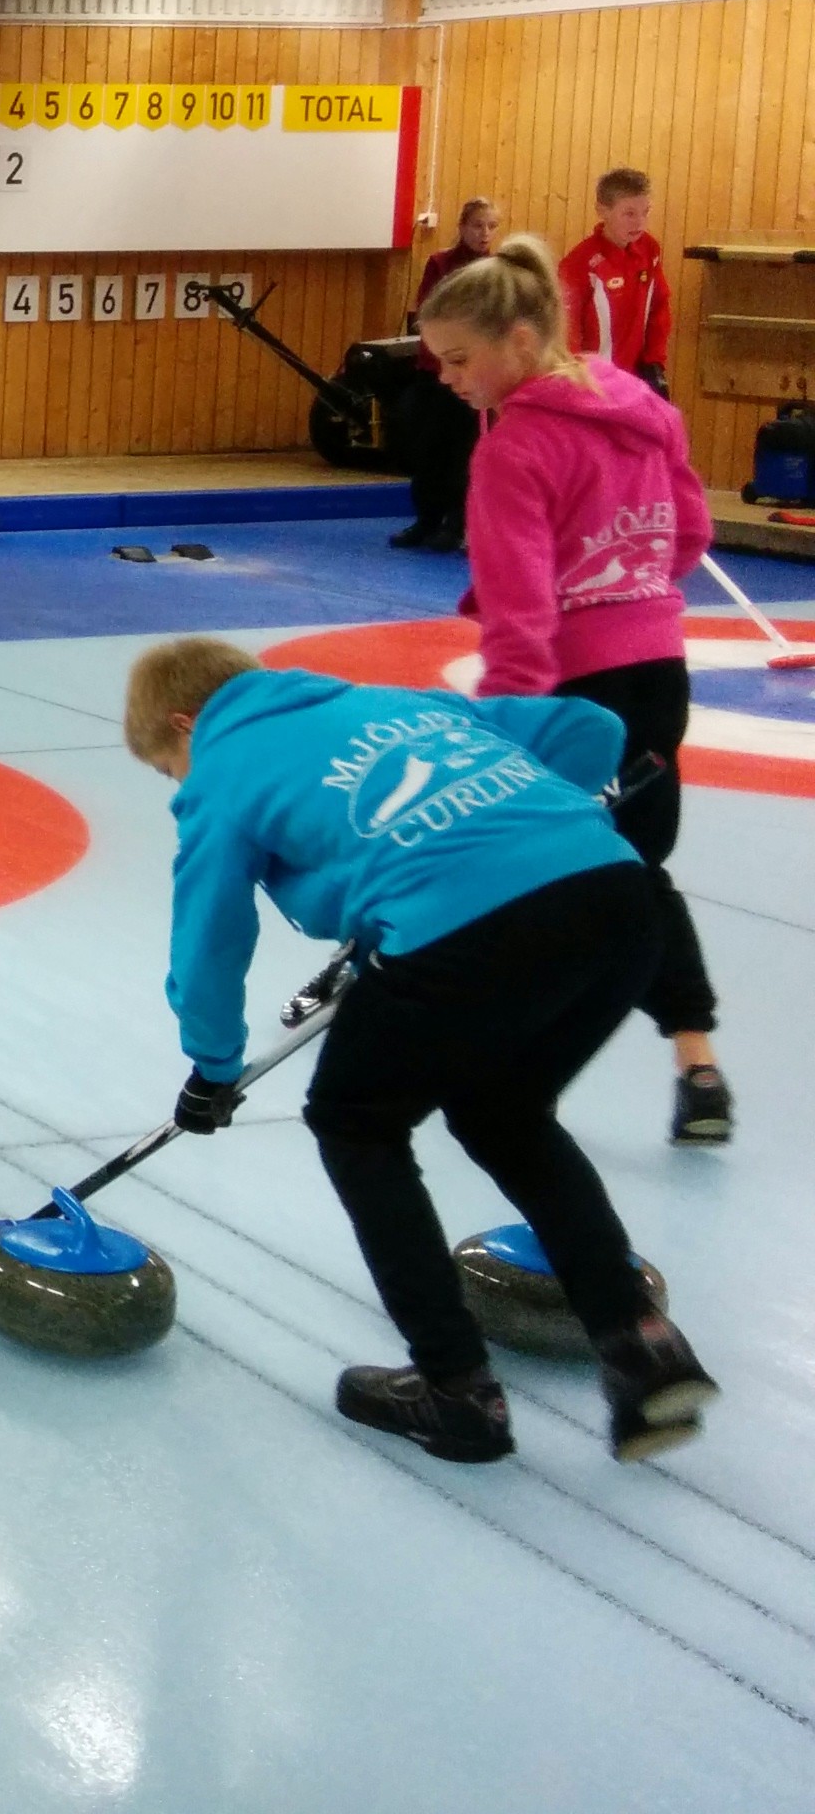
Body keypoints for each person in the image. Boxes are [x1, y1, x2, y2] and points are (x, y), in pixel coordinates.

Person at [124, 637, 717, 1466]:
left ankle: (456, 1389)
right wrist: (524, 824)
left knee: (356, 1122)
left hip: (467, 935)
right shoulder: (394, 703)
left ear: (187, 723)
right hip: (617, 904)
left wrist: (213, 1067)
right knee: (507, 1116)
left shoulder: (221, 773)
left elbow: (210, 940)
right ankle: (640, 1344)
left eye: (168, 767)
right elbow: (590, 728)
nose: (178, 783)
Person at [421, 235, 730, 1143]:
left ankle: (519, 1067)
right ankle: (698, 1066)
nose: (447, 379)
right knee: (635, 869)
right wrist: (632, 590)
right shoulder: (641, 408)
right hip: (658, 672)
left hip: (575, 690)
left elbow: (521, 613)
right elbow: (690, 533)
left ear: (519, 342)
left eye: (458, 359)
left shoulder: (514, 449)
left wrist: (506, 726)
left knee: (544, 876)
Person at [390, 196, 499, 552]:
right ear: (462, 227)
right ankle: (426, 520)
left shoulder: (496, 270)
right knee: (429, 449)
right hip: (436, 372)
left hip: (476, 377)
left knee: (465, 454)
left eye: (491, 227)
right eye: (477, 226)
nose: (484, 233)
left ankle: (456, 524)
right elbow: (429, 312)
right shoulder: (440, 263)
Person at [559, 168, 672, 395]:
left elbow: (659, 307)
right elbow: (567, 326)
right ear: (603, 211)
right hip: (595, 382)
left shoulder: (649, 249)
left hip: (635, 378)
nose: (639, 222)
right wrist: (575, 377)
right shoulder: (580, 263)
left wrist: (654, 361)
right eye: (629, 214)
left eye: (646, 212)